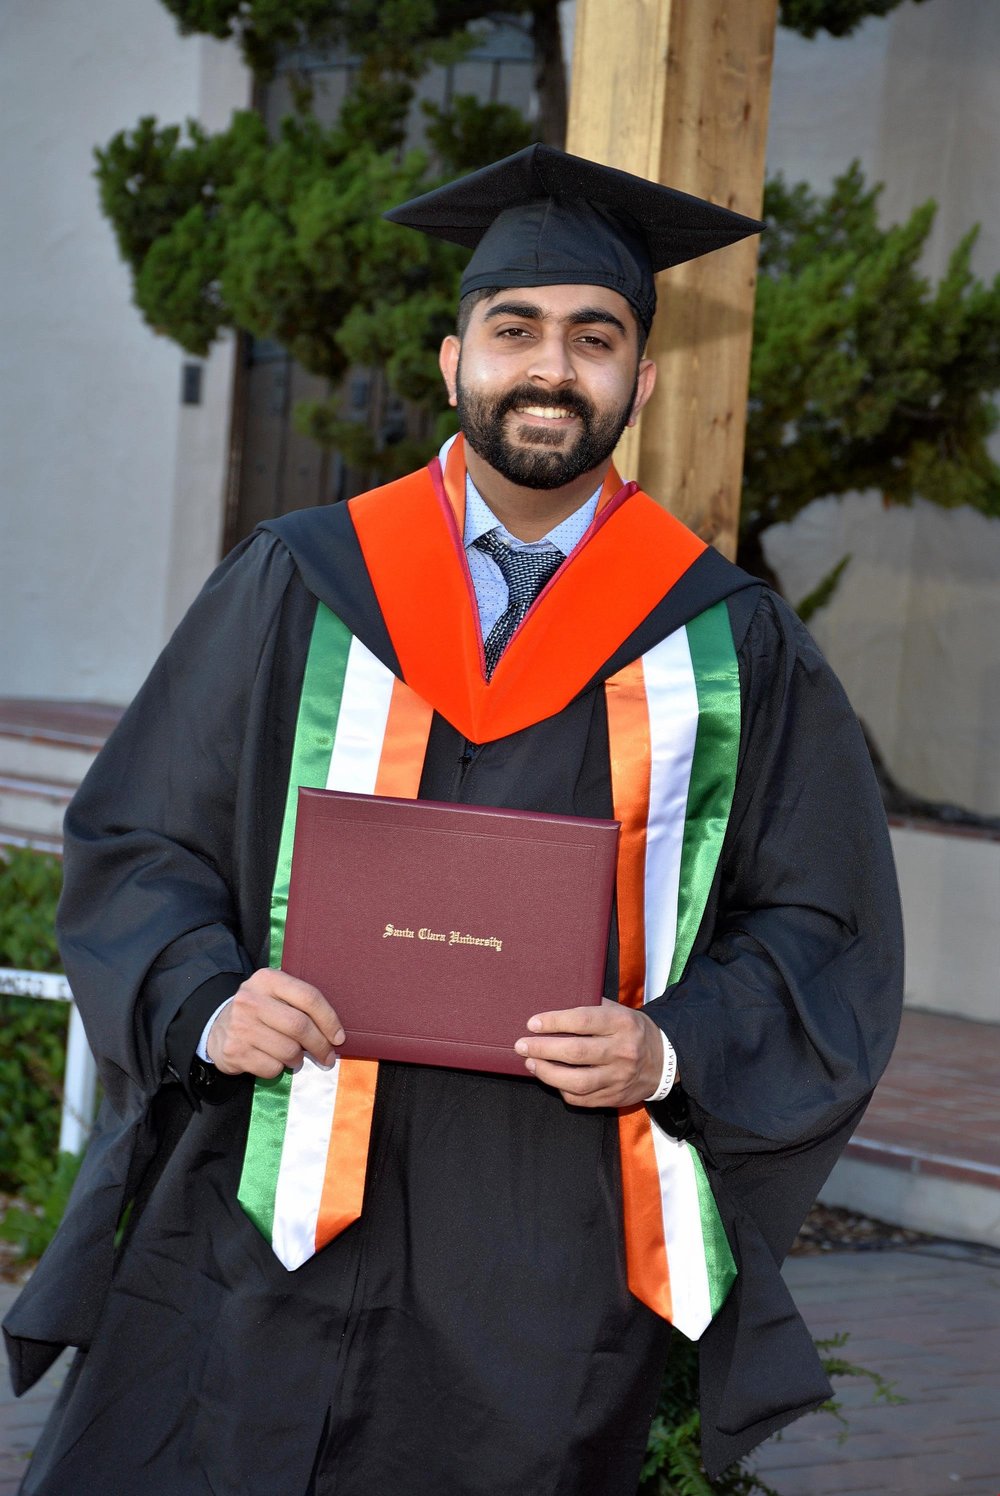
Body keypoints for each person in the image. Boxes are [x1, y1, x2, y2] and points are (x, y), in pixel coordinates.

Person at [4, 145, 903, 1495]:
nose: (552, 368)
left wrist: (671, 1046)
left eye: (594, 338)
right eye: (515, 330)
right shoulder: (299, 584)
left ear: (640, 382)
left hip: (545, 1232)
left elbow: (823, 920)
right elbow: (140, 841)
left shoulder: (725, 643)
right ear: (452, 362)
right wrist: (204, 999)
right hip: (270, 1196)